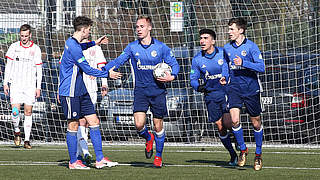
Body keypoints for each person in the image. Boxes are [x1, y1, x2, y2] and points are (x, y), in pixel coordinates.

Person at [105, 15, 179, 168]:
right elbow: (118, 61)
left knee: (158, 126)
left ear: (149, 27)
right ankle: (148, 137)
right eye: (137, 27)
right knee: (139, 124)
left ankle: (158, 157)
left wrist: (172, 76)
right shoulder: (132, 47)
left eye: (142, 27)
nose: (138, 29)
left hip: (158, 91)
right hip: (140, 91)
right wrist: (102, 69)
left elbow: (174, 63)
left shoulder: (161, 47)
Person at [58, 16, 121, 170]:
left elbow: (82, 47)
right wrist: (107, 74)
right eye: (89, 29)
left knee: (94, 122)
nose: (90, 31)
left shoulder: (75, 43)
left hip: (81, 90)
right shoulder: (72, 46)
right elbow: (87, 69)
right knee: (73, 125)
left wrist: (95, 43)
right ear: (84, 29)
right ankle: (73, 162)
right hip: (70, 91)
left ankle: (99, 159)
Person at [190, 29, 238, 166]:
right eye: (201, 38)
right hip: (211, 96)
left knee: (229, 122)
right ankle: (233, 154)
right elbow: (193, 78)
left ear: (213, 41)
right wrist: (197, 87)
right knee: (220, 126)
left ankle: (239, 142)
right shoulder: (197, 59)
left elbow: (231, 68)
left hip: (226, 93)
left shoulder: (223, 53)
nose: (202, 41)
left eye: (205, 38)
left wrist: (228, 78)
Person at [224, 17, 265, 170]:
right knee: (234, 121)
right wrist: (224, 77)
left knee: (256, 122)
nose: (229, 32)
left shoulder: (252, 47)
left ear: (240, 30)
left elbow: (261, 67)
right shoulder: (227, 48)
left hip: (250, 89)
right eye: (229, 29)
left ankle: (258, 154)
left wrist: (244, 63)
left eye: (232, 29)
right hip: (234, 89)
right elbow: (226, 67)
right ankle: (242, 149)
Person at [3, 24, 42, 149]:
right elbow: (8, 66)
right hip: (16, 85)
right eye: (22, 36)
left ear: (30, 35)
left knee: (28, 111)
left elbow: (39, 69)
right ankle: (16, 131)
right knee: (15, 111)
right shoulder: (13, 47)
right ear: (19, 35)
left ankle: (26, 140)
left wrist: (38, 87)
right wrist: (5, 83)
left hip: (30, 85)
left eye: (26, 36)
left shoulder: (35, 49)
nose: (24, 38)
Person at [76, 37, 109, 165]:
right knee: (80, 121)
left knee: (90, 121)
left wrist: (104, 84)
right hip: (77, 89)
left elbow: (102, 67)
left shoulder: (96, 48)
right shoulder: (74, 47)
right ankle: (84, 152)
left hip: (92, 90)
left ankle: (83, 152)